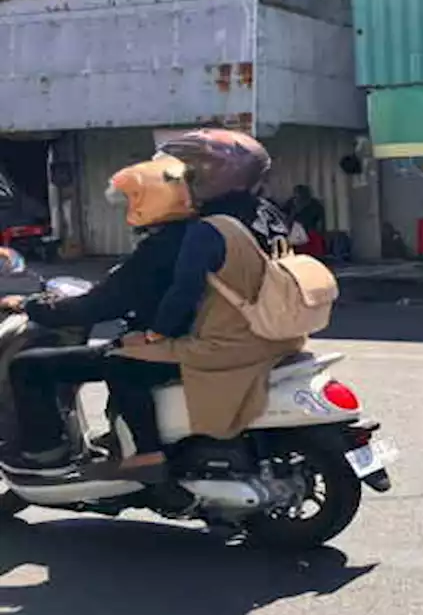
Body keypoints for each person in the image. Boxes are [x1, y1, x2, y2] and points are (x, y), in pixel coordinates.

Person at [0, 154, 198, 479]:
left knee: (27, 365)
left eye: (131, 199)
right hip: (190, 338)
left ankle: (47, 454)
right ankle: (124, 440)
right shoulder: (195, 235)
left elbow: (98, 306)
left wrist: (31, 307)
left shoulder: (159, 249)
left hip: (166, 346)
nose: (126, 209)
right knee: (115, 349)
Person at [116, 129, 304, 462]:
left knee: (121, 363)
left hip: (230, 339)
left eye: (184, 172)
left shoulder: (209, 227)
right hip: (276, 333)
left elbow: (184, 291)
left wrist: (156, 334)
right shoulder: (268, 214)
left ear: (205, 176)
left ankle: (147, 456)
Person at [284, 184, 326, 257]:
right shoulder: (290, 203)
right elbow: (284, 219)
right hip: (294, 235)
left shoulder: (314, 204)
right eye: (295, 193)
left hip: (311, 234)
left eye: (299, 193)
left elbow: (321, 222)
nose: (297, 196)